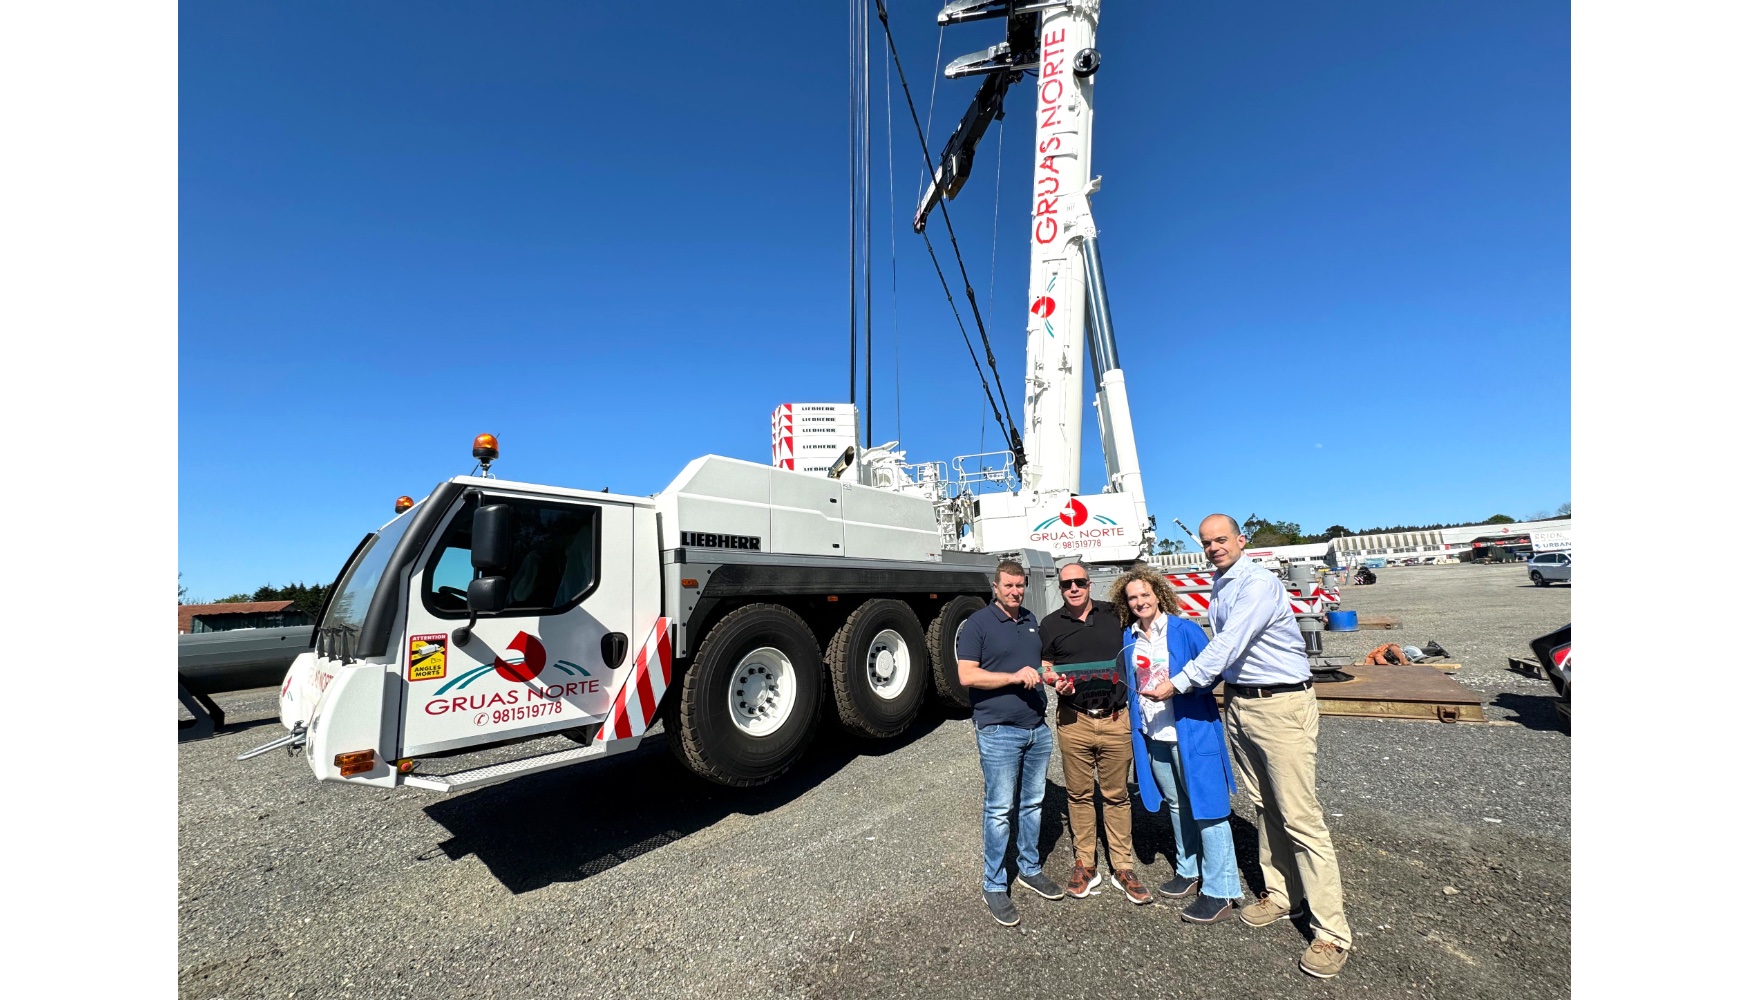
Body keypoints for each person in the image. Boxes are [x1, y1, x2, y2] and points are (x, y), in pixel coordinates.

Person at [1139, 514, 1354, 978]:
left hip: (1280, 704)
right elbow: (1224, 651)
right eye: (1207, 542)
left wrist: (1176, 684)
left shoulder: (1256, 583)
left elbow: (1228, 644)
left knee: (1300, 815)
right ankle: (1281, 894)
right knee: (1263, 806)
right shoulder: (1221, 585)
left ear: (1241, 540)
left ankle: (1331, 932)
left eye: (1221, 539)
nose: (1214, 547)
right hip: (1242, 703)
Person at [1115, 565, 1243, 924]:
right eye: (1132, 597)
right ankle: (1189, 870)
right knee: (1177, 804)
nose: (1139, 601)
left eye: (1145, 594)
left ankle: (1221, 890)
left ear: (1159, 594)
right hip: (1154, 734)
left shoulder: (1185, 629)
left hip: (1190, 730)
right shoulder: (1130, 637)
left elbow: (1213, 671)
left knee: (1209, 807)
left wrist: (1178, 685)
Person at [957, 559, 1064, 926]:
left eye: (1020, 586)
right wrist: (1012, 677)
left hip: (1037, 728)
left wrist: (1052, 678)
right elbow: (968, 675)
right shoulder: (978, 624)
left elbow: (1038, 668)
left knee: (1033, 804)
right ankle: (994, 883)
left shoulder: (1031, 621)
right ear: (995, 585)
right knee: (1000, 809)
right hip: (999, 730)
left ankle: (1030, 868)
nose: (1015, 592)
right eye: (1008, 586)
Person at [1038, 561, 1152, 905]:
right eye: (1066, 584)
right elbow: (1046, 666)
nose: (1073, 588)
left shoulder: (1116, 614)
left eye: (1080, 582)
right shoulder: (1050, 624)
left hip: (1117, 719)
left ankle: (1123, 865)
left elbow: (1148, 634)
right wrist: (1054, 680)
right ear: (1060, 588)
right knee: (1079, 794)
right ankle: (1085, 863)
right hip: (1074, 720)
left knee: (1116, 795)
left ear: (1090, 584)